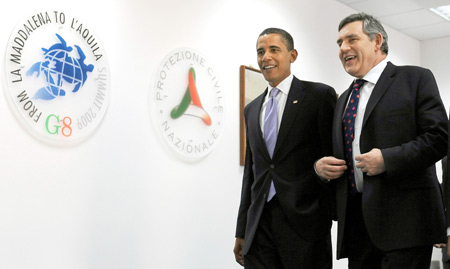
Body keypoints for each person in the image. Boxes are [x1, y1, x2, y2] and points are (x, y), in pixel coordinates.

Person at [315, 13, 448, 268]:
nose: (343, 48)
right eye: (339, 43)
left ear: (377, 41)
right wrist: (321, 169)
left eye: (352, 39)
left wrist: (387, 160)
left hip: (405, 227)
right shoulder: (343, 98)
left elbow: (439, 138)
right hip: (356, 227)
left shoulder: (415, 79)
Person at [233, 28, 337, 268]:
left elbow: (334, 158)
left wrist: (326, 215)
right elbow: (251, 173)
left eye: (274, 50)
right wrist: (242, 229)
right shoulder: (252, 109)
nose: (265, 57)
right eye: (260, 52)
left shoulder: (318, 96)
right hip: (259, 225)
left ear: (293, 55)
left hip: (304, 224)